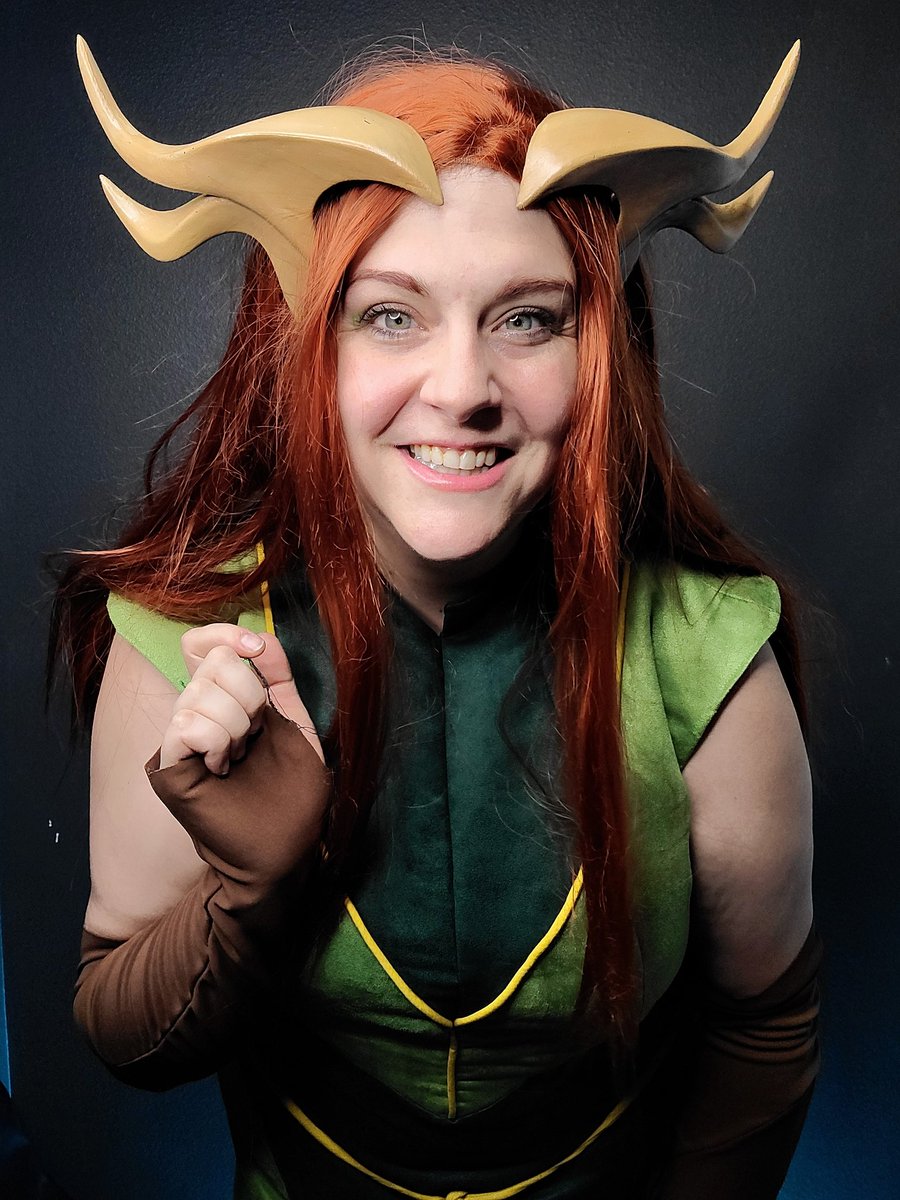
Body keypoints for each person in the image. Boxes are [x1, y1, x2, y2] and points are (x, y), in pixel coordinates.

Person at [53, 34, 819, 1200]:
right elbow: (123, 1038)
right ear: (307, 344)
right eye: (391, 316)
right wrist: (252, 892)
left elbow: (763, 1029)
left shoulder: (707, 661)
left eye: (528, 319)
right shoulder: (188, 645)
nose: (462, 389)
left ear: (599, 349)